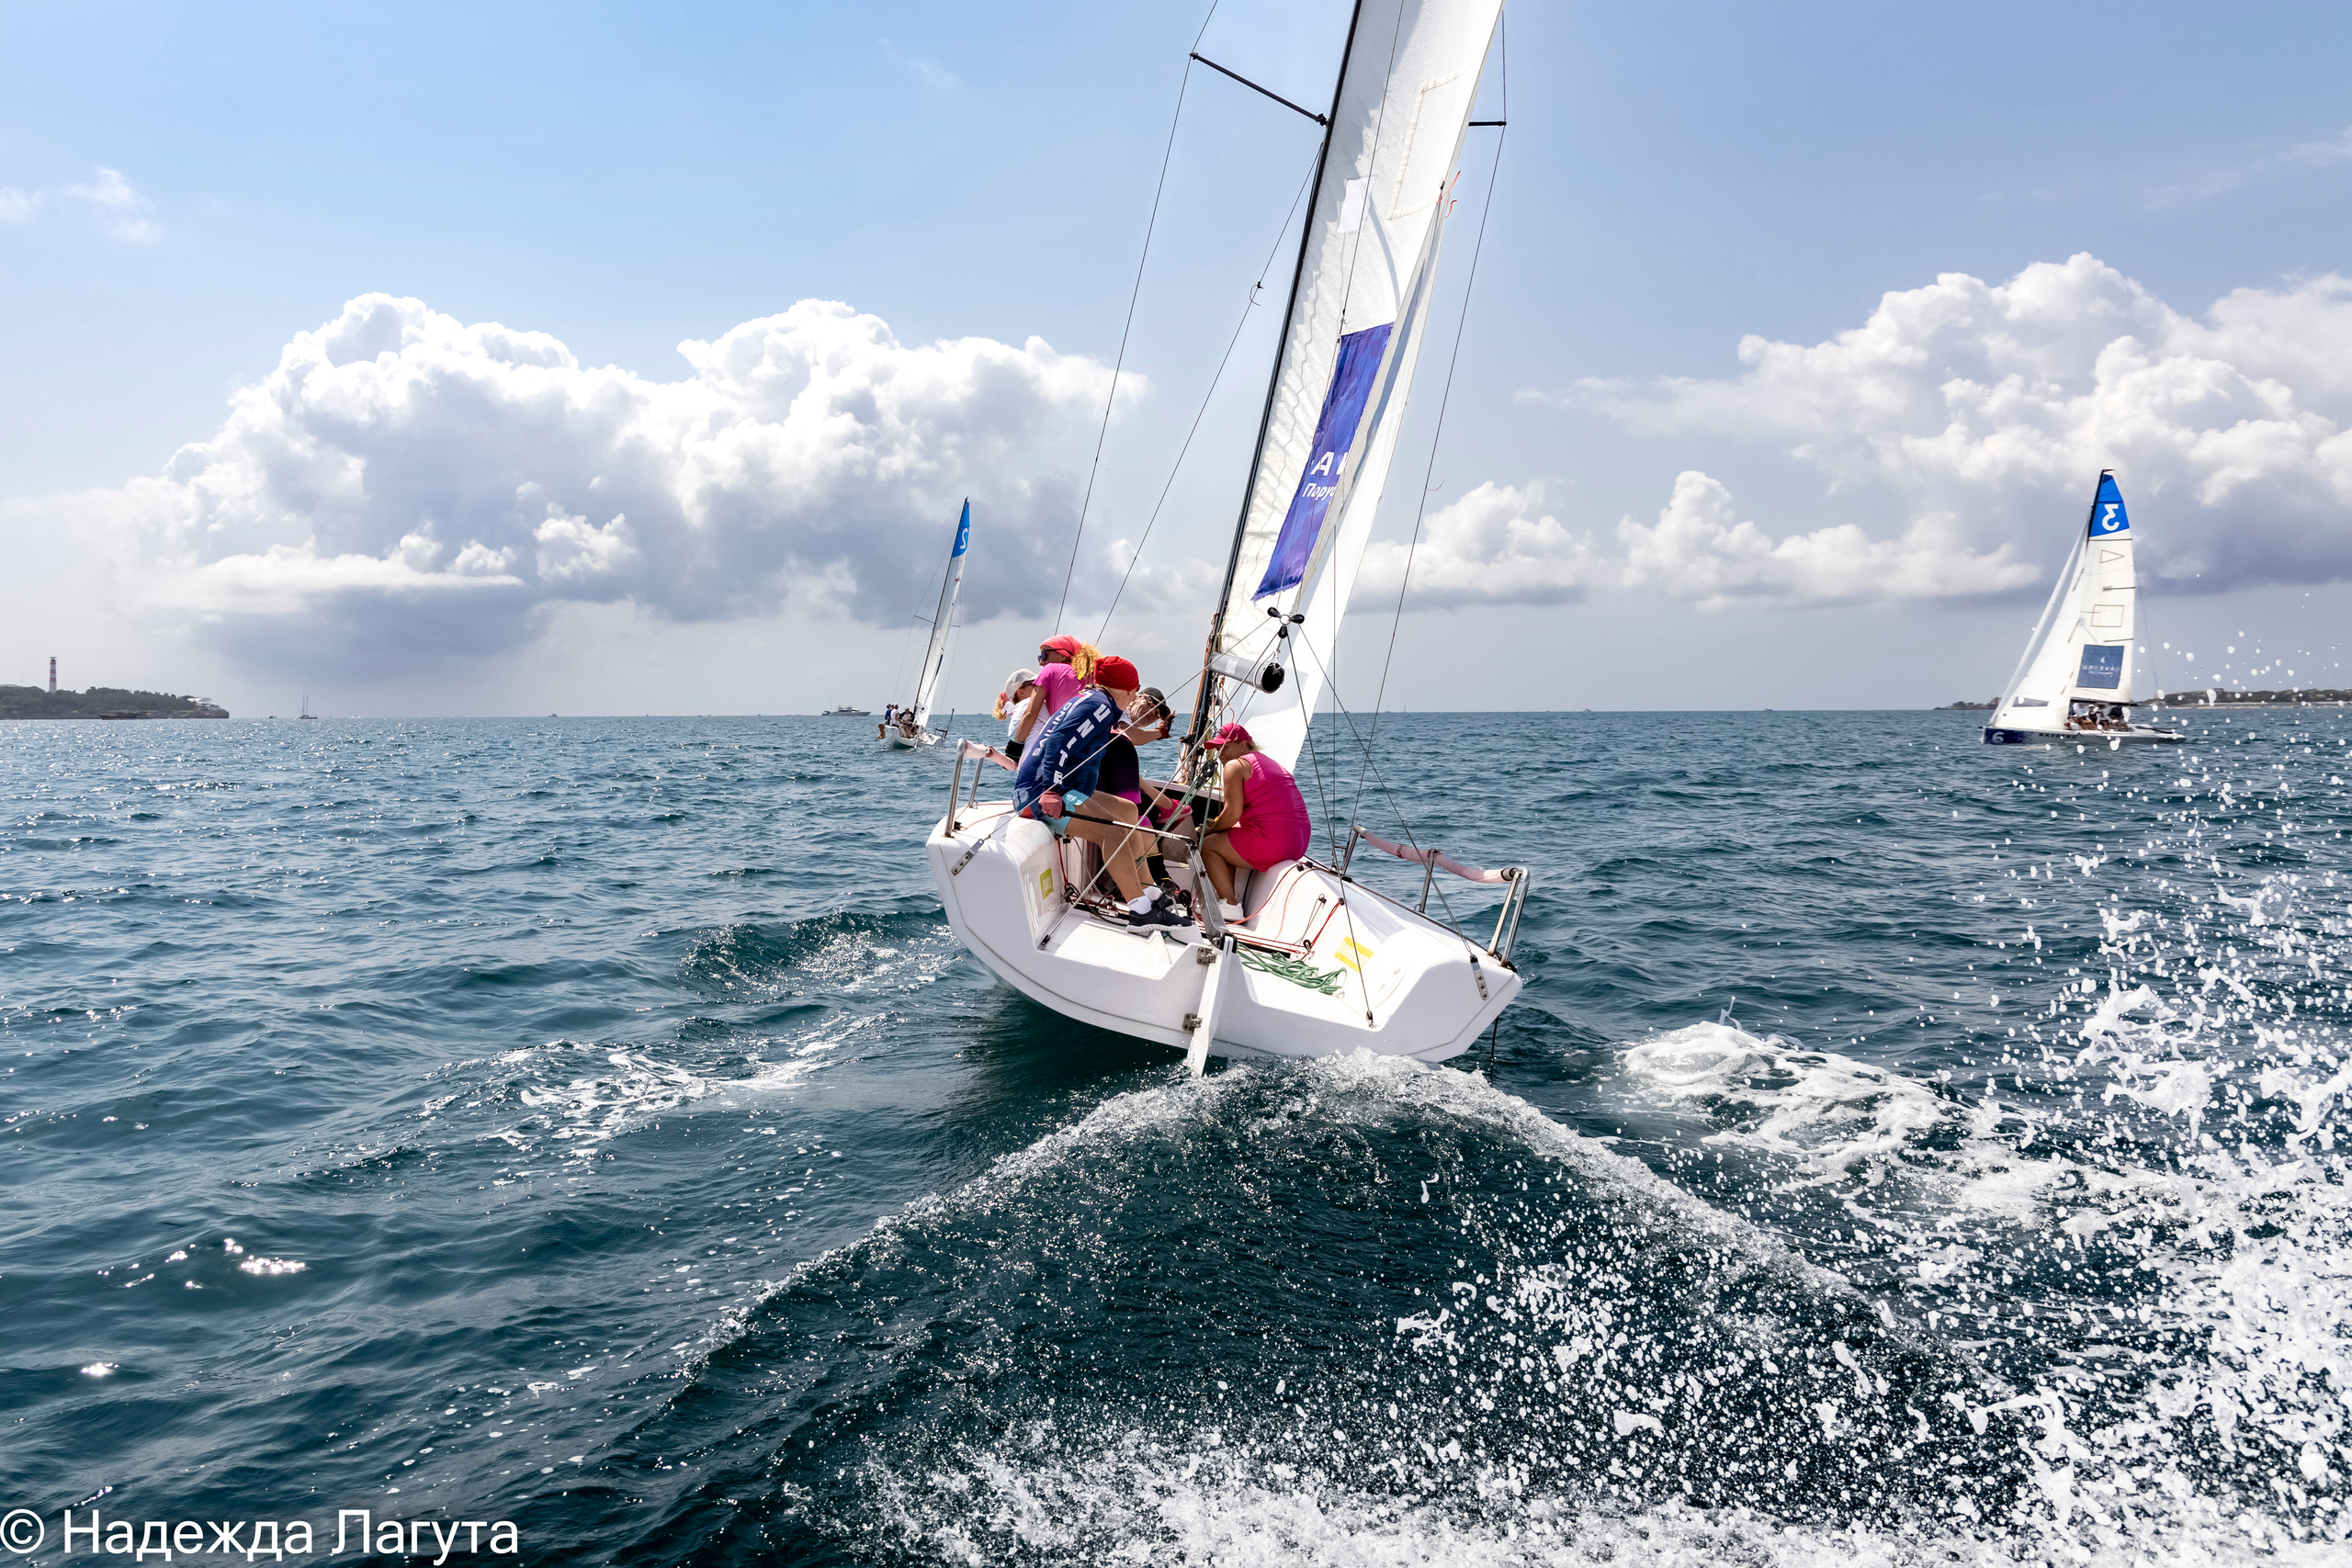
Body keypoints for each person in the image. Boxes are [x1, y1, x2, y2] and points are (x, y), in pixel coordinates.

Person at [1012, 655, 1183, 928]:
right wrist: (1051, 791)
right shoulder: (1099, 707)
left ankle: (1150, 891)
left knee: (1127, 810)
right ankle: (1141, 911)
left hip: (1057, 786)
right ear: (1129, 690)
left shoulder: (1092, 700)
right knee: (1113, 831)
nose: (1134, 696)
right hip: (1038, 792)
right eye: (1135, 691)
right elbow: (1058, 741)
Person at [1196, 722, 1311, 923]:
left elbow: (1232, 814)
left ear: (1244, 745)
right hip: (1298, 844)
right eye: (1217, 749)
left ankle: (1230, 904)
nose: (1220, 754)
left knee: (1209, 845)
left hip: (1272, 842)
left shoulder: (1235, 765)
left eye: (1225, 747)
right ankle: (1226, 900)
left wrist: (1206, 832)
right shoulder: (1269, 762)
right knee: (1222, 840)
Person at [1013, 635, 1097, 750]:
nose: (1041, 662)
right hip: (1096, 741)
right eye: (1039, 657)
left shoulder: (1050, 670)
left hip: (1068, 742)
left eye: (1044, 655)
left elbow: (1030, 713)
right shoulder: (1091, 675)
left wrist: (1015, 746)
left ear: (1063, 655)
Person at [994, 668, 1038, 759]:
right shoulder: (1025, 704)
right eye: (1034, 682)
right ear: (1021, 693)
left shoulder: (1038, 703)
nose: (1040, 683)